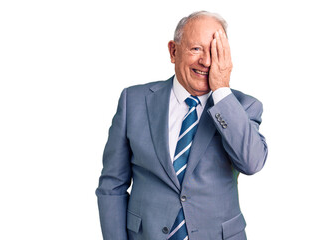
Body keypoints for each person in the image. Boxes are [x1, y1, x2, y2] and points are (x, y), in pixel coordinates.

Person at [96, 10, 268, 240]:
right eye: (196, 49)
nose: (206, 61)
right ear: (173, 51)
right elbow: (112, 186)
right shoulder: (133, 101)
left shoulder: (243, 107)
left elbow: (252, 162)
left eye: (215, 52)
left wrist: (222, 92)